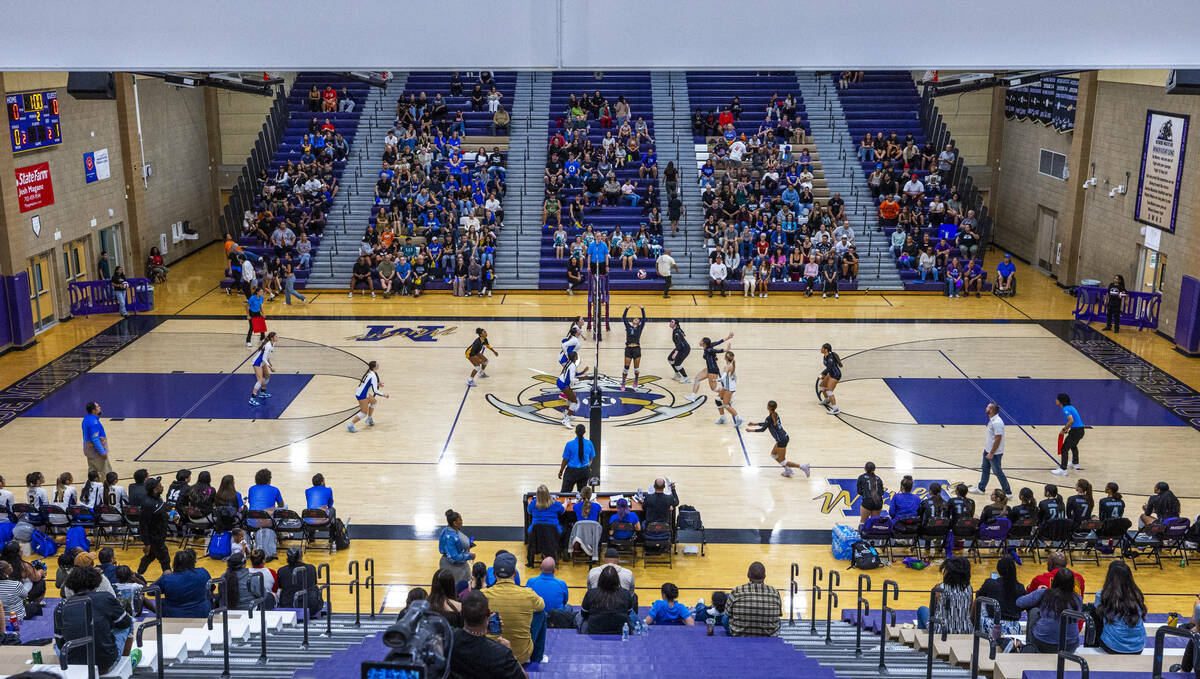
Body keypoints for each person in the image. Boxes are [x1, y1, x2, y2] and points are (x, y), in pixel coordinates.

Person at [55, 566, 133, 674]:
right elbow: (125, 623)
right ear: (96, 582)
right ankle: (125, 664)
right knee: (129, 621)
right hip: (104, 663)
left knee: (56, 643)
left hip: (73, 663)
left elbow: (60, 642)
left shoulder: (61, 607)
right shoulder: (105, 597)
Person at [449, 590, 528, 679]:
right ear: (488, 613)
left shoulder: (448, 638)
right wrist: (510, 652)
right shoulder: (502, 653)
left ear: (461, 613)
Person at [482, 552, 543, 663]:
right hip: (521, 656)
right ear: (515, 574)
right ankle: (537, 658)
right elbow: (542, 605)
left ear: (495, 574)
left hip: (492, 654)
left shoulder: (482, 595)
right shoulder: (528, 594)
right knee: (540, 613)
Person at [1018, 568, 1083, 653]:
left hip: (1044, 644)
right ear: (1072, 584)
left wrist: (1038, 595)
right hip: (1069, 646)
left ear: (1054, 581)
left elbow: (1019, 602)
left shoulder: (1045, 593)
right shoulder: (1078, 598)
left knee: (1034, 611)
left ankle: (1030, 648)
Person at [1093, 561, 1146, 654]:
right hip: (1138, 646)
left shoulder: (1102, 595)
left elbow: (1097, 611)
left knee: (1095, 613)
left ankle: (1093, 643)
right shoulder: (1137, 594)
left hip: (1112, 647)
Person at [749, 400, 810, 478]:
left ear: (768, 407)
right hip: (783, 437)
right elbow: (767, 424)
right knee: (773, 455)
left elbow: (763, 429)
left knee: (783, 460)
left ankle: (803, 467)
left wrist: (751, 430)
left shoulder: (769, 417)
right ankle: (788, 470)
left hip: (782, 439)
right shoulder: (775, 414)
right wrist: (755, 424)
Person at [916, 557, 974, 634]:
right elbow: (969, 611)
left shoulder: (939, 588)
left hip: (941, 630)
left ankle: (924, 639)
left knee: (922, 609)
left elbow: (932, 612)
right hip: (965, 630)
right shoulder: (969, 589)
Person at [975, 556, 1025, 642]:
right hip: (1014, 627)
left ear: (998, 569)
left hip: (992, 625)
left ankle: (974, 629)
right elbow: (1023, 606)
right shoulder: (1020, 587)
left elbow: (978, 597)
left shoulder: (990, 582)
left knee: (981, 601)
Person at [727, 562, 781, 637]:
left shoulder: (736, 591)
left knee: (725, 618)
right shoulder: (775, 592)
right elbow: (779, 614)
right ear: (765, 576)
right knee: (779, 621)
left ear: (748, 575)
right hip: (768, 637)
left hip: (739, 636)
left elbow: (727, 613)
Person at [152, 549, 211, 618]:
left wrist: (162, 576)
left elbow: (150, 592)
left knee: (161, 602)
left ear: (175, 563)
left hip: (174, 615)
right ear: (193, 562)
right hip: (201, 613)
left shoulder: (167, 579)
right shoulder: (203, 572)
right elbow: (211, 588)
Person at [579, 565, 634, 635]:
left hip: (595, 631)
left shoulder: (591, 593)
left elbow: (584, 613)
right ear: (617, 579)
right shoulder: (625, 593)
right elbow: (628, 612)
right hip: (620, 631)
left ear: (600, 578)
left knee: (578, 616)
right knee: (632, 616)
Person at [971, 402, 1012, 495]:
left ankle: (1008, 492)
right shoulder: (992, 419)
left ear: (991, 410)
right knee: (985, 469)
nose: (986, 408)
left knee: (998, 472)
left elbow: (998, 438)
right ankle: (981, 488)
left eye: (987, 407)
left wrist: (992, 453)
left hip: (995, 453)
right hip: (988, 450)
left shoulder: (997, 422)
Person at [137, 478, 172, 576]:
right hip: (155, 538)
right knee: (165, 560)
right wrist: (146, 543)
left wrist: (169, 517)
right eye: (160, 485)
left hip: (159, 536)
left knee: (150, 557)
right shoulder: (148, 504)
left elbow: (160, 514)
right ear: (155, 489)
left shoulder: (158, 498)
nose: (162, 486)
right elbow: (143, 525)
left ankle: (139, 574)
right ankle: (169, 579)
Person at [277, 547, 322, 616]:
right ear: (301, 556)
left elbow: (280, 586)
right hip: (310, 607)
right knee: (315, 588)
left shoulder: (281, 571)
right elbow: (314, 584)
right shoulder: (311, 568)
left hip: (288, 606)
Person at [347, 360, 388, 432]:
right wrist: (384, 395)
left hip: (362, 392)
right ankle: (350, 425)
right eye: (377, 364)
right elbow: (375, 391)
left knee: (374, 402)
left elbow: (367, 383)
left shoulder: (370, 373)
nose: (378, 365)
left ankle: (369, 419)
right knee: (363, 413)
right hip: (362, 395)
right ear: (374, 367)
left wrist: (377, 384)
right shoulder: (373, 376)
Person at [439, 509, 475, 585]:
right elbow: (454, 557)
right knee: (459, 589)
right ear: (455, 523)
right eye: (460, 519)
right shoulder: (452, 537)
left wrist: (467, 545)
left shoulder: (446, 529)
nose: (462, 521)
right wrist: (469, 556)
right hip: (454, 567)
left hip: (448, 562)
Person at [557, 424, 595, 493]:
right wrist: (587, 466)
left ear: (575, 432)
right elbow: (591, 458)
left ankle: (564, 504)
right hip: (584, 472)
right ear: (584, 432)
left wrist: (561, 471)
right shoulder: (589, 443)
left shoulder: (569, 444)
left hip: (571, 472)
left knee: (564, 494)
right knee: (582, 494)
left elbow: (565, 460)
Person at [1054, 393, 1084, 475]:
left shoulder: (1065, 409)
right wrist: (1068, 429)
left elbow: (1071, 420)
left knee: (1064, 449)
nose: (1055, 400)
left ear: (1061, 401)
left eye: (1057, 399)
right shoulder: (1071, 407)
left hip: (1076, 431)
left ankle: (1063, 469)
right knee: (1073, 445)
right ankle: (1075, 463)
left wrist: (1064, 429)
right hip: (1080, 430)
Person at [81, 401, 113, 476]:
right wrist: (102, 452)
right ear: (93, 410)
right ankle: (107, 488)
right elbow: (95, 439)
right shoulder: (94, 422)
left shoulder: (86, 419)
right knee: (107, 474)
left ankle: (91, 487)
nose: (100, 408)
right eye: (98, 407)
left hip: (89, 451)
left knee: (92, 473)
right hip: (96, 452)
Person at [619, 306, 646, 391]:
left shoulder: (639, 328)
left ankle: (636, 380)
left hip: (637, 349)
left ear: (639, 322)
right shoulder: (628, 327)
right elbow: (624, 318)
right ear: (632, 321)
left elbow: (644, 319)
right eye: (635, 319)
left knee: (636, 369)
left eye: (638, 319)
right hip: (628, 349)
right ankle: (623, 382)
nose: (636, 319)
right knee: (626, 368)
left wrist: (642, 309)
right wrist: (626, 309)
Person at [248, 331, 276, 407]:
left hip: (262, 362)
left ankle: (262, 393)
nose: (277, 338)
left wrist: (270, 362)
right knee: (260, 380)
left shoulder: (272, 344)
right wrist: (270, 367)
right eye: (276, 336)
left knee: (267, 376)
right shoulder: (268, 346)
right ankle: (252, 399)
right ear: (272, 338)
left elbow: (267, 355)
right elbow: (263, 358)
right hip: (257, 362)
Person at [818, 343, 842, 414]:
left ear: (826, 350)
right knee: (822, 386)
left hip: (835, 375)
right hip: (831, 373)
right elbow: (828, 368)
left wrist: (822, 374)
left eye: (822, 348)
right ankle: (826, 400)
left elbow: (829, 367)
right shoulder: (825, 356)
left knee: (829, 391)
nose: (821, 349)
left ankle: (835, 409)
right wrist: (824, 375)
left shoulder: (830, 358)